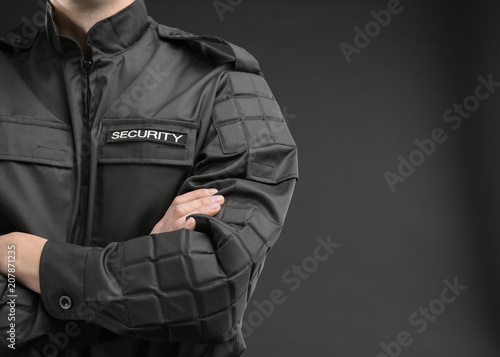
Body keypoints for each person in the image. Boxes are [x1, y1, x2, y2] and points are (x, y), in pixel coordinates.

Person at [0, 0, 298, 356]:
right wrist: (147, 277)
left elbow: (211, 291)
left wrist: (31, 261)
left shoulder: (225, 84)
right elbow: (178, 294)